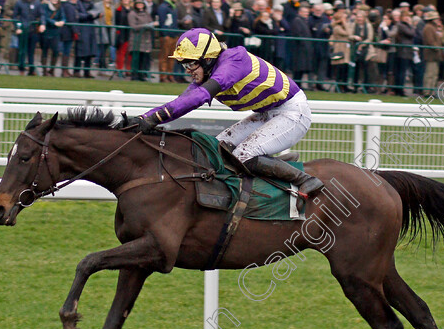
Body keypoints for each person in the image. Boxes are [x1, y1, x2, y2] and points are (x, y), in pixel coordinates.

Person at [127, 28, 324, 200]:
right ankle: (279, 163)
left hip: (292, 113)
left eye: (190, 64)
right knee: (217, 149)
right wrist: (145, 118)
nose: (187, 71)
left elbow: (199, 98)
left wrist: (156, 118)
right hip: (267, 112)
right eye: (184, 65)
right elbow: (181, 101)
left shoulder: (232, 63)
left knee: (243, 155)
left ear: (208, 59)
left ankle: (306, 179)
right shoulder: (209, 69)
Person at [38, 0, 64, 77]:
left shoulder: (60, 7)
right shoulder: (45, 6)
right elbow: (44, 17)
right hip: (46, 31)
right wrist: (54, 22)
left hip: (55, 32)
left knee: (56, 51)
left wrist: (62, 22)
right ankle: (44, 70)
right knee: (45, 50)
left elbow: (63, 17)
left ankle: (52, 70)